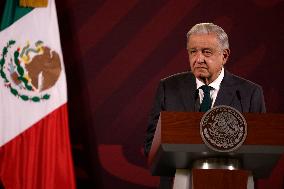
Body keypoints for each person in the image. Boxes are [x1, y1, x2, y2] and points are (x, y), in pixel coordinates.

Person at [144, 23, 266, 189]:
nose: (198, 58)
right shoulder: (168, 87)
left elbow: (261, 148)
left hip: (232, 182)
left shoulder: (249, 93)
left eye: (206, 52)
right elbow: (151, 144)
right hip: (177, 182)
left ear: (225, 55)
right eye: (193, 51)